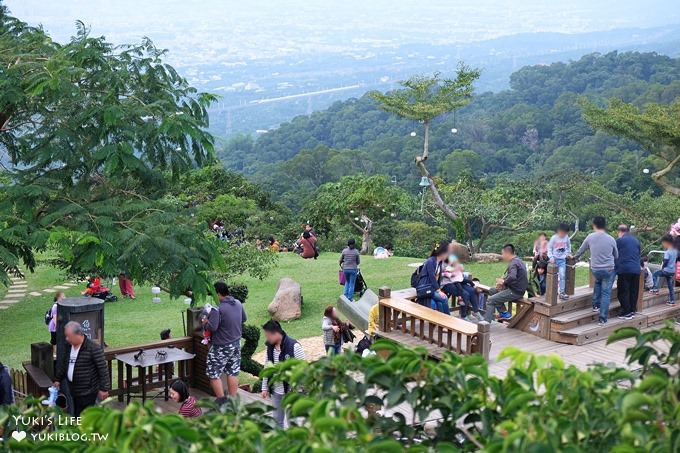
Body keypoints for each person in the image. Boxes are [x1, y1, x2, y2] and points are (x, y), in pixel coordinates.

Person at [202, 282, 247, 402]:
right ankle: (232, 401)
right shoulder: (237, 303)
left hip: (221, 346)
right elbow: (244, 318)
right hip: (236, 344)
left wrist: (206, 321)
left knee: (213, 373)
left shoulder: (218, 309)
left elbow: (213, 327)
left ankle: (221, 402)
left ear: (218, 293)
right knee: (232, 372)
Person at [54, 321, 110, 416]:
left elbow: (103, 369)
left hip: (89, 392)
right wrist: (58, 379)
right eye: (66, 336)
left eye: (69, 336)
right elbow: (65, 365)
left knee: (88, 418)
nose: (67, 339)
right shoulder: (69, 347)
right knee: (78, 416)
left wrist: (104, 389)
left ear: (79, 334)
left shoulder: (93, 348)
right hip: (74, 391)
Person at [572, 216, 619, 326]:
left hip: (595, 269)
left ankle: (595, 305)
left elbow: (581, 250)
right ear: (604, 225)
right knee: (606, 292)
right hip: (608, 269)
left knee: (598, 282)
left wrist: (575, 257)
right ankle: (602, 318)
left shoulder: (590, 237)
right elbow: (616, 255)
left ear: (594, 225)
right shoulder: (611, 239)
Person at [260, 320, 305, 428]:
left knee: (293, 422)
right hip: (276, 392)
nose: (267, 339)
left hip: (291, 392)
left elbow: (303, 369)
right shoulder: (270, 347)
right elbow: (267, 367)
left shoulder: (294, 346)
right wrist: (264, 387)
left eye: (268, 336)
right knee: (277, 422)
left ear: (276, 333)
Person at [483, 244, 527, 323]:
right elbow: (516, 277)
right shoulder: (519, 261)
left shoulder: (513, 263)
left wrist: (503, 281)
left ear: (507, 253)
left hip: (515, 291)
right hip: (516, 289)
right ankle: (504, 313)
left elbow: (513, 277)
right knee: (492, 290)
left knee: (490, 300)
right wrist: (503, 281)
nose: (502, 256)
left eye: (502, 254)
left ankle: (485, 323)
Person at [615, 225, 641, 320]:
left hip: (624, 269)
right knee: (634, 290)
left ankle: (626, 311)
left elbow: (614, 253)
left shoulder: (619, 241)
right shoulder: (636, 241)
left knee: (623, 290)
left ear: (620, 232)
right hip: (636, 269)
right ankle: (632, 310)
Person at [417, 242, 450, 314]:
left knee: (439, 303)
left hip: (432, 288)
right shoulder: (430, 261)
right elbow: (432, 277)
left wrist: (439, 290)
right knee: (444, 298)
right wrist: (439, 290)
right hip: (425, 287)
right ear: (443, 252)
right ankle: (448, 320)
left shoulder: (439, 263)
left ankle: (442, 322)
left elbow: (437, 279)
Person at [651, 234, 677, 307]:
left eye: (663, 243)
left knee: (654, 274)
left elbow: (665, 261)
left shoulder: (668, 251)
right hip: (672, 271)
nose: (663, 244)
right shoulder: (675, 251)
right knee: (670, 286)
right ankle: (672, 301)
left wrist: (662, 267)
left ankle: (655, 289)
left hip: (666, 270)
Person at [547, 224, 571, 300]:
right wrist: (551, 257)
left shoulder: (566, 237)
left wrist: (568, 253)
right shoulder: (554, 238)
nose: (564, 234)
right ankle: (552, 292)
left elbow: (568, 246)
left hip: (562, 260)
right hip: (554, 260)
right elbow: (549, 248)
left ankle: (562, 292)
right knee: (554, 277)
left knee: (562, 275)